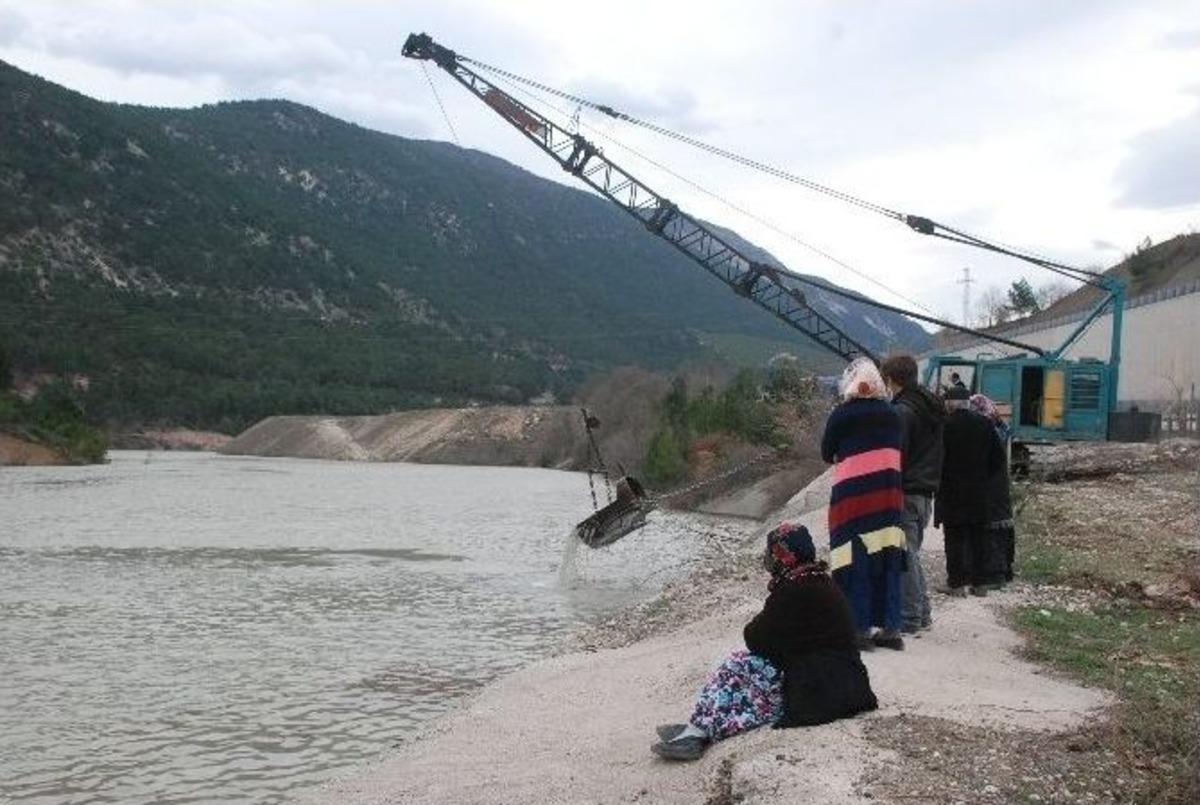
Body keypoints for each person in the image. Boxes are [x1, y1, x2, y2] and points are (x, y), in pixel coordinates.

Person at [651, 523, 878, 761]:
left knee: (738, 666)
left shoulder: (795, 589)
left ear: (783, 555)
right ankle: (699, 725)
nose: (769, 559)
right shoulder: (819, 580)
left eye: (772, 553)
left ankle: (698, 733)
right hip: (848, 684)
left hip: (822, 694)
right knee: (751, 668)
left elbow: (755, 638)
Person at [820, 357, 907, 651]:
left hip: (853, 497)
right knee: (886, 556)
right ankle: (891, 628)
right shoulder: (892, 414)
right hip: (889, 495)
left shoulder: (842, 415)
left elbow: (826, 452)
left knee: (852, 556)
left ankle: (858, 629)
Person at [879, 353, 945, 635]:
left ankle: (908, 617)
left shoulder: (902, 412)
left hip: (905, 490)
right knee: (912, 553)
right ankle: (923, 613)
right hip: (925, 490)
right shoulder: (930, 405)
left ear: (891, 380)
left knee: (904, 555)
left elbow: (896, 456)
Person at [935, 387, 1005, 595]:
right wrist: (983, 476)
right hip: (979, 491)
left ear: (949, 404)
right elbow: (998, 459)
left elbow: (937, 458)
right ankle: (980, 583)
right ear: (968, 403)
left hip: (951, 491)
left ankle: (956, 583)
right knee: (979, 538)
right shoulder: (984, 424)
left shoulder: (944, 426)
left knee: (954, 539)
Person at [969, 393, 1016, 584]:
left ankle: (994, 574)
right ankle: (1002, 571)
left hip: (991, 487)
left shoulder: (987, 431)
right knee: (1001, 529)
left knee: (992, 530)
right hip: (1000, 486)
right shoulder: (999, 428)